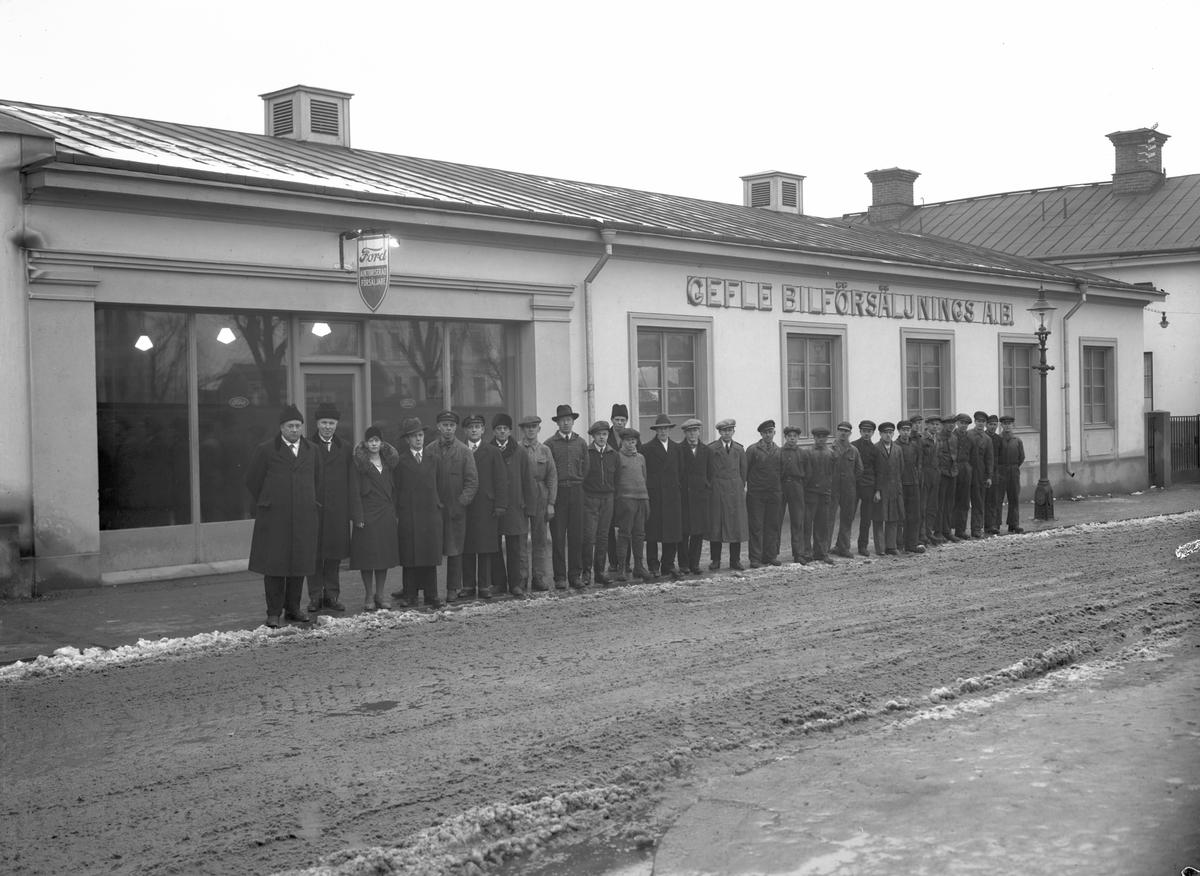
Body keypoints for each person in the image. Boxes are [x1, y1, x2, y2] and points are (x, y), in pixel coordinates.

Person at [246, 403, 321, 628]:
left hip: (303, 516)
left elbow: (317, 480)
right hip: (275, 517)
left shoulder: (312, 450)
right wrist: (271, 500)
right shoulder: (266, 449)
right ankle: (273, 612)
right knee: (275, 565)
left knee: (299, 563)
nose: (295, 430)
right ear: (281, 427)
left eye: (298, 425)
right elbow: (253, 481)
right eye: (290, 426)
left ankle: (293, 608)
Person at [394, 417, 449, 609]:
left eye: (420, 435)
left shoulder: (435, 459)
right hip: (409, 514)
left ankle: (431, 595)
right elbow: (397, 488)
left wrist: (437, 506)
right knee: (410, 557)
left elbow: (441, 486)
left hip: (430, 514)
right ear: (407, 439)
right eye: (414, 436)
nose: (418, 439)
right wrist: (400, 511)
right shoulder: (400, 461)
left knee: (429, 555)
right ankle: (410, 594)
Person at [423, 410, 478, 603]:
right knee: (431, 550)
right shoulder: (429, 449)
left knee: (455, 551)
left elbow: (472, 482)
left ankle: (453, 588)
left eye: (451, 425)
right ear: (438, 426)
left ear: (456, 428)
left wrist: (461, 503)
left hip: (455, 509)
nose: (448, 429)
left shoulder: (464, 451)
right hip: (433, 509)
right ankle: (430, 591)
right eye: (445, 425)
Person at [307, 402, 353, 613]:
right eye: (324, 422)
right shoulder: (307, 446)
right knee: (314, 554)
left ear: (337, 425)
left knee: (334, 554)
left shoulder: (345, 447)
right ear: (317, 423)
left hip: (337, 509)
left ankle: (332, 595)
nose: (327, 427)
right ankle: (315, 596)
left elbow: (351, 479)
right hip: (314, 508)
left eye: (331, 423)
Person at [349, 426, 400, 611]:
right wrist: (358, 516)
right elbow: (354, 491)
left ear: (381, 442)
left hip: (386, 514)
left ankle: (380, 594)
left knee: (383, 557)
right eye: (371, 440)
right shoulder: (358, 464)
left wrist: (395, 514)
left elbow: (394, 490)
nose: (374, 444)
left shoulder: (388, 462)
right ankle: (368, 595)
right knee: (368, 558)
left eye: (377, 440)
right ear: (365, 443)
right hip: (368, 515)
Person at [460, 413, 508, 599]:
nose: (474, 430)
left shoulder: (492, 451)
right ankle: (468, 585)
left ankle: (484, 585)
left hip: (486, 507)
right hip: (466, 505)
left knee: (485, 547)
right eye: (470, 427)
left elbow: (500, 480)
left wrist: (500, 505)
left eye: (477, 427)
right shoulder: (460, 450)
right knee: (467, 547)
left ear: (482, 430)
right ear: (465, 430)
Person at [490, 414, 536, 597]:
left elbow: (528, 481)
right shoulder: (488, 450)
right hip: (493, 506)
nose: (502, 432)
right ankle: (499, 582)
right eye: (499, 429)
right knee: (494, 546)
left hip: (515, 505)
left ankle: (514, 583)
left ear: (510, 431)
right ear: (494, 431)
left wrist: (530, 508)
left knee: (514, 547)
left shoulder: (519, 452)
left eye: (505, 429)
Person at [546, 404, 589, 589]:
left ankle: (575, 575)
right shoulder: (549, 444)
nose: (566, 423)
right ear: (558, 423)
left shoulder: (581, 443)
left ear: (573, 422)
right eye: (562, 420)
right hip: (559, 492)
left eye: (568, 420)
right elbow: (548, 471)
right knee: (558, 537)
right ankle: (560, 577)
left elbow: (586, 467)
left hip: (577, 491)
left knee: (576, 536)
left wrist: (577, 480)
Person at [641, 414, 684, 578]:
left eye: (666, 428)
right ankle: (653, 566)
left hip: (672, 494)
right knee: (652, 533)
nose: (663, 431)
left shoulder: (677, 448)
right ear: (656, 430)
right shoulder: (647, 448)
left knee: (671, 531)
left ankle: (668, 564)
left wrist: (673, 485)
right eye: (660, 429)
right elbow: (644, 471)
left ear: (670, 430)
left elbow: (680, 471)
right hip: (655, 494)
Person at [519, 414, 557, 590]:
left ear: (539, 429)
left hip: (541, 495)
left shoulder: (545, 450)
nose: (531, 430)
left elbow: (552, 477)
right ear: (522, 430)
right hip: (521, 496)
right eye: (527, 427)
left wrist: (551, 503)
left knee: (540, 538)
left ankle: (539, 577)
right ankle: (521, 576)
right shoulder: (517, 449)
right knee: (520, 539)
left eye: (534, 427)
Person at [707, 418, 748, 571]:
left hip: (734, 489)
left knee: (736, 524)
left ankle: (735, 560)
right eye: (724, 430)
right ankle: (715, 559)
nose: (727, 433)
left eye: (730, 430)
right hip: (718, 488)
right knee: (716, 524)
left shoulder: (739, 449)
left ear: (733, 432)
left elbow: (743, 470)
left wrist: (739, 485)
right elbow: (709, 470)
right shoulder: (712, 449)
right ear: (719, 432)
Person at [612, 428, 652, 582]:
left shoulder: (641, 458)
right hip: (625, 500)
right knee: (624, 534)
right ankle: (622, 567)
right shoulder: (617, 457)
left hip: (642, 498)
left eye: (633, 440)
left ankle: (639, 567)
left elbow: (644, 477)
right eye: (628, 440)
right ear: (622, 441)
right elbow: (615, 479)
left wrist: (644, 496)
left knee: (639, 534)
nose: (631, 443)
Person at [581, 420, 618, 586]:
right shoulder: (587, 453)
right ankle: (586, 572)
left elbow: (617, 477)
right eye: (598, 435)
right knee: (589, 536)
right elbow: (582, 476)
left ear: (608, 435)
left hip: (608, 499)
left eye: (604, 434)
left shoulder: (614, 454)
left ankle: (599, 572)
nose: (601, 437)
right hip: (590, 499)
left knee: (603, 537)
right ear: (593, 436)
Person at [745, 420, 783, 567]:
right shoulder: (753, 450)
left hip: (774, 492)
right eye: (765, 432)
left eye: (770, 432)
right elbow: (746, 470)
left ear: (774, 433)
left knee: (772, 525)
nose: (768, 435)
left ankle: (770, 556)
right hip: (756, 493)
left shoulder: (778, 451)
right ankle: (755, 557)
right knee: (756, 526)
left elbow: (781, 471)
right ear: (761, 434)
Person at [677, 418, 712, 574]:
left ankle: (694, 563)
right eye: (689, 431)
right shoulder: (678, 449)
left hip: (699, 496)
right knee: (683, 532)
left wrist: (705, 486)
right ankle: (683, 564)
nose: (692, 434)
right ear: (685, 433)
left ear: (699, 432)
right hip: (684, 494)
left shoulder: (706, 450)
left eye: (695, 430)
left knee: (698, 532)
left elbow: (710, 473)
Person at [828, 421, 862, 558]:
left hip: (848, 489)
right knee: (829, 518)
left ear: (850, 433)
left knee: (847, 518)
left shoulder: (854, 450)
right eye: (841, 430)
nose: (843, 433)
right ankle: (824, 549)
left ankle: (843, 547)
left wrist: (851, 480)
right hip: (832, 488)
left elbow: (859, 469)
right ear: (837, 432)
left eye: (846, 431)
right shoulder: (830, 449)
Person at [605, 403, 631, 574]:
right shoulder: (604, 436)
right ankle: (613, 561)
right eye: (617, 419)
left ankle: (626, 562)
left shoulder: (631, 436)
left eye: (622, 420)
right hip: (609, 488)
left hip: (627, 489)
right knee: (608, 527)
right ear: (612, 420)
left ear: (626, 421)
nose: (619, 423)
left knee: (626, 527)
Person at [804, 427, 836, 565]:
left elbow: (833, 474)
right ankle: (806, 552)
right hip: (810, 493)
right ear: (814, 438)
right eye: (818, 437)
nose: (821, 439)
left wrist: (830, 490)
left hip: (825, 493)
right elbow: (805, 473)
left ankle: (821, 553)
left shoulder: (832, 454)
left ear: (827, 438)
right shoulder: (808, 453)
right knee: (807, 524)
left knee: (822, 525)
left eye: (823, 437)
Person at [871, 422, 904, 555]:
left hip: (894, 487)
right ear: (880, 434)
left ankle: (891, 546)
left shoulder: (897, 449)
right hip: (880, 487)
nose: (888, 435)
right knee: (879, 517)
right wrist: (877, 490)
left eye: (890, 433)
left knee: (893, 517)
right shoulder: (875, 448)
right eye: (885, 433)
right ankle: (880, 547)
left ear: (893, 434)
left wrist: (898, 486)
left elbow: (901, 469)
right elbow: (873, 471)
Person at [895, 420, 926, 554]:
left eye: (908, 430)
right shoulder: (895, 446)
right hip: (900, 484)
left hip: (913, 483)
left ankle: (911, 544)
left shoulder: (914, 445)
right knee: (899, 516)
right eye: (903, 430)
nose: (906, 432)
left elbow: (918, 463)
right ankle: (898, 544)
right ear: (899, 431)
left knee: (914, 515)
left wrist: (917, 478)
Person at [779, 424, 807, 564]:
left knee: (797, 520)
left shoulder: (803, 453)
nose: (792, 438)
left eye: (795, 436)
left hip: (797, 486)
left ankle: (798, 553)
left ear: (798, 438)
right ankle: (771, 554)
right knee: (776, 519)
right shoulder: (779, 452)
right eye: (789, 436)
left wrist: (802, 488)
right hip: (781, 485)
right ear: (785, 437)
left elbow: (808, 472)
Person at [851, 420, 879, 557]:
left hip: (869, 485)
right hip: (854, 485)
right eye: (864, 431)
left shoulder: (875, 449)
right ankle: (842, 545)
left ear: (873, 432)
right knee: (848, 516)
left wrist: (878, 490)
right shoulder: (853, 446)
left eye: (869, 431)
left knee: (866, 518)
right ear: (860, 431)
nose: (866, 434)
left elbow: (878, 471)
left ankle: (863, 546)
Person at [996, 415, 1026, 533]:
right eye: (1005, 424)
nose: (1007, 426)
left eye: (1009, 424)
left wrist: (1014, 466)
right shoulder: (998, 439)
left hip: (1013, 470)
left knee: (1014, 498)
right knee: (998, 498)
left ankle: (1014, 523)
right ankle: (996, 524)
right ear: (1001, 425)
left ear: (1012, 425)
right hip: (1000, 470)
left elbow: (1021, 456)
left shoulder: (1017, 441)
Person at [968, 411, 996, 538]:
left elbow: (989, 459)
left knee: (978, 502)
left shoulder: (987, 439)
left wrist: (989, 477)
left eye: (983, 422)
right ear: (975, 422)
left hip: (980, 471)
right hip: (967, 468)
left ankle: (976, 528)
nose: (981, 424)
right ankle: (959, 529)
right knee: (962, 502)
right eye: (979, 421)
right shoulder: (968, 434)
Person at [936, 415, 961, 542]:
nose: (951, 425)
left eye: (953, 423)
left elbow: (955, 455)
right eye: (948, 423)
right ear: (943, 424)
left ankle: (947, 531)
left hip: (952, 473)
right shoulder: (938, 437)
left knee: (949, 504)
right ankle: (938, 531)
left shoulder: (954, 437)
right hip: (941, 473)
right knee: (940, 504)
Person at [921, 416, 944, 545]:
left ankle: (929, 532)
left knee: (932, 505)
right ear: (927, 425)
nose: (935, 427)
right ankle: (922, 533)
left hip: (935, 473)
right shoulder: (922, 439)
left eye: (937, 424)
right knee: (923, 505)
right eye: (933, 424)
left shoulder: (938, 439)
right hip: (925, 473)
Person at [953, 413, 974, 539]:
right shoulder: (951, 437)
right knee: (950, 500)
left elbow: (974, 457)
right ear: (957, 423)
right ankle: (947, 530)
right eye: (961, 423)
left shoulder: (970, 438)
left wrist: (970, 469)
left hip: (965, 469)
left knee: (964, 501)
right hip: (952, 468)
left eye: (966, 424)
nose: (963, 426)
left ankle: (960, 529)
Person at [985, 414, 1004, 535]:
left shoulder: (998, 439)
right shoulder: (983, 437)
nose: (993, 427)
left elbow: (1001, 455)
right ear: (986, 425)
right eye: (991, 424)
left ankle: (992, 524)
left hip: (995, 472)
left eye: (995, 425)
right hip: (982, 471)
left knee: (993, 499)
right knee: (982, 500)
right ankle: (983, 524)